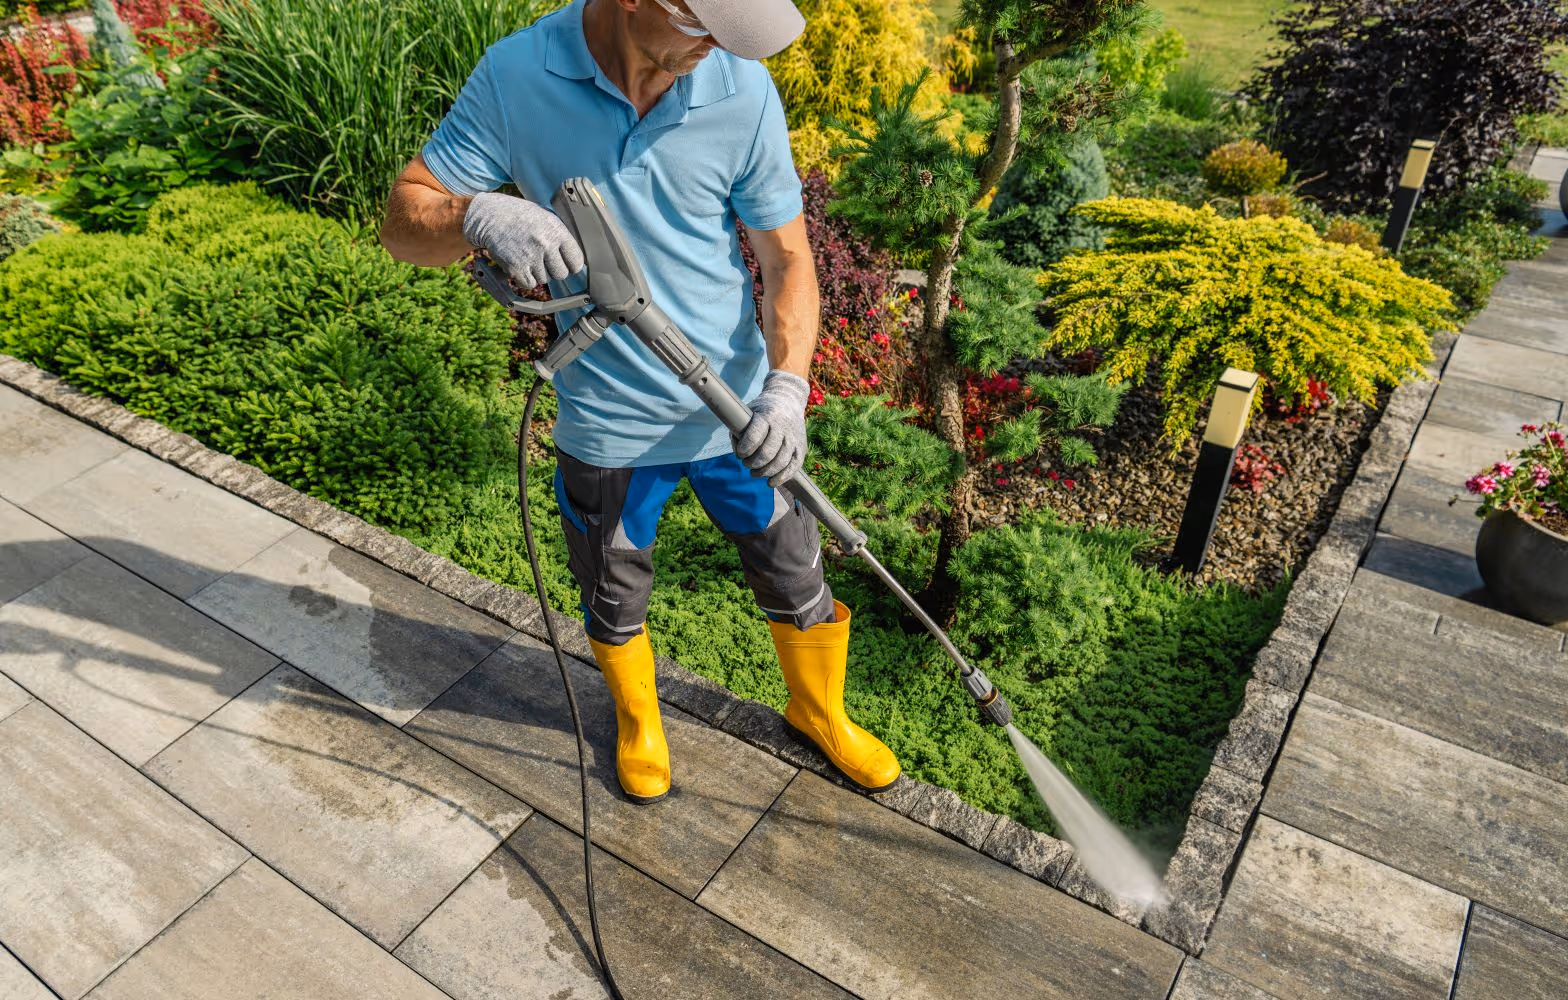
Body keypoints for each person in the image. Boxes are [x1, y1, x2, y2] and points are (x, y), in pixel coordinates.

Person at [379, 0, 899, 803]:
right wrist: (475, 213)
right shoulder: (519, 75)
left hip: (737, 415)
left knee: (798, 575)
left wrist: (787, 390)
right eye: (707, 28)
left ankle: (818, 710)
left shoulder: (741, 88)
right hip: (608, 425)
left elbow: (787, 258)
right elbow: (403, 224)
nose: (723, 50)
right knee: (613, 591)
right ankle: (637, 721)